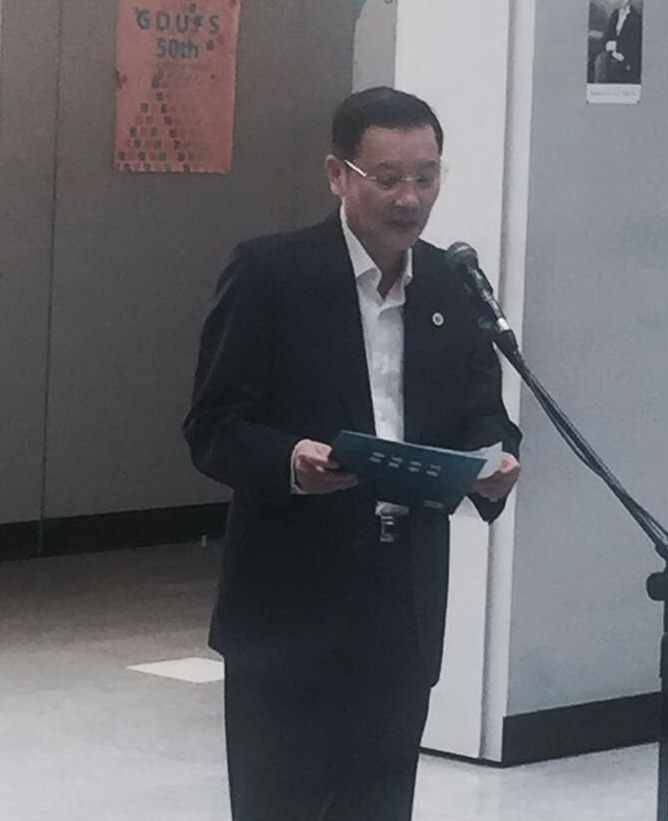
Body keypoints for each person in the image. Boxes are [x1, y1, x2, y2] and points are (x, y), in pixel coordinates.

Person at [183, 86, 522, 821]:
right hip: (289, 599)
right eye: (388, 178)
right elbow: (213, 426)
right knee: (281, 805)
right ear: (338, 175)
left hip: (403, 593)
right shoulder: (271, 272)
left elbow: (481, 411)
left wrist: (494, 459)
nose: (410, 198)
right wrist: (291, 461)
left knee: (379, 802)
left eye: (426, 176)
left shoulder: (450, 282)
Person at [593, 0, 643, 84]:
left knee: (609, 64)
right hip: (612, 54)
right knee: (601, 59)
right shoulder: (615, 15)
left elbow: (635, 43)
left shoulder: (636, 18)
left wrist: (617, 47)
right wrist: (613, 51)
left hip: (628, 57)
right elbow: (606, 38)